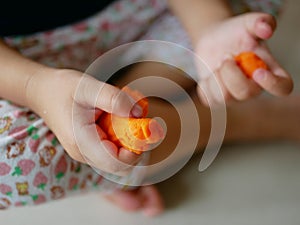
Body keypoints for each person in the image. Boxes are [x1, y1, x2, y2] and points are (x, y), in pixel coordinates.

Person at [0, 0, 295, 217]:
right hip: (18, 63)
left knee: (246, 21)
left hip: (145, 12)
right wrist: (34, 87)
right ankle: (244, 120)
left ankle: (119, 146)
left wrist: (209, 24)